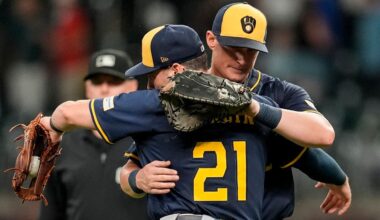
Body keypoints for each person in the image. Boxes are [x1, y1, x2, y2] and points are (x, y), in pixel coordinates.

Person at [123, 2, 351, 219]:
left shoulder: (276, 93)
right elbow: (131, 165)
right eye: (233, 48)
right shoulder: (183, 92)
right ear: (212, 40)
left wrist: (255, 109)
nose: (241, 59)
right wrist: (136, 178)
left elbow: (321, 137)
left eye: (250, 50)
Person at [38, 24, 288, 220]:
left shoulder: (154, 105)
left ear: (175, 70)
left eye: (151, 73)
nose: (149, 84)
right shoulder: (253, 104)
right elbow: (320, 145)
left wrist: (52, 125)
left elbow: (67, 113)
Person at [38, 49, 148, 220]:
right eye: (97, 82)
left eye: (114, 81)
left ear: (132, 86)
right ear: (87, 88)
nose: (104, 89)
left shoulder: (148, 141)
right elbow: (51, 211)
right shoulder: (63, 145)